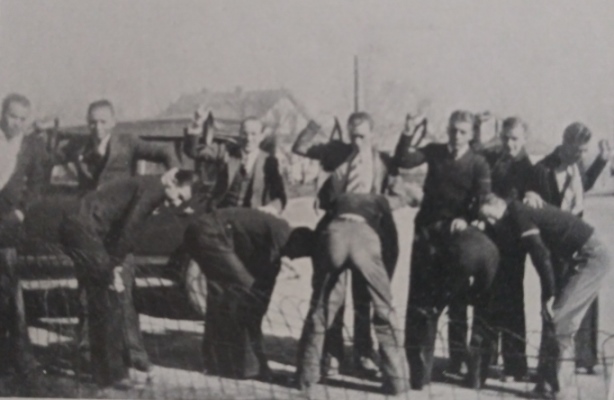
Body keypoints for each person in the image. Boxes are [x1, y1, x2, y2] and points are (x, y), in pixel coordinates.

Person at [52, 99, 181, 373]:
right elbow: (50, 156)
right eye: (92, 122)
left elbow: (166, 150)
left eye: (103, 121)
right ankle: (86, 351)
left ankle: (134, 351)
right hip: (89, 229)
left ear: (113, 122)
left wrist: (174, 177)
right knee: (87, 291)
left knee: (123, 289)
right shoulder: (79, 146)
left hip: (120, 228)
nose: (97, 127)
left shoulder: (128, 142)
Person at [292, 112, 419, 376]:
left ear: (372, 134)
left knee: (366, 296)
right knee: (330, 295)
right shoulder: (337, 153)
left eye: (362, 136)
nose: (357, 141)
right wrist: (315, 122)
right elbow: (300, 148)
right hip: (335, 228)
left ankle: (363, 352)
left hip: (372, 232)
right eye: (353, 136)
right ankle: (332, 353)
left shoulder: (383, 161)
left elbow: (402, 196)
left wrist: (375, 205)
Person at [58, 171, 196, 388]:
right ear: (172, 181)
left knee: (100, 296)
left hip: (85, 229)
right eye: (179, 195)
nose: (177, 203)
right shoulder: (155, 190)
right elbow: (130, 228)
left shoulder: (149, 184)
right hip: (85, 230)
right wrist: (114, 266)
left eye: (182, 201)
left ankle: (100, 367)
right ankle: (110, 373)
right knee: (110, 296)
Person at [393, 110, 492, 389]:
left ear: (471, 135)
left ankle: (457, 359)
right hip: (426, 233)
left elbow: (483, 199)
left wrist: (468, 218)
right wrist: (408, 131)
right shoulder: (435, 151)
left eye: (462, 132)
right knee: (420, 299)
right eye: (452, 130)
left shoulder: (478, 163)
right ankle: (418, 370)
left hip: (456, 236)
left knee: (455, 296)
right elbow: (403, 160)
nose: (456, 136)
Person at [478, 195, 612, 398]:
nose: (491, 222)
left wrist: (549, 294)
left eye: (490, 216)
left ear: (499, 205)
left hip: (591, 257)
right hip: (579, 258)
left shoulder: (517, 213)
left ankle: (556, 389)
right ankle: (548, 384)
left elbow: (540, 253)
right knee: (557, 319)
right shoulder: (516, 212)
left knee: (560, 320)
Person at [295, 181, 422, 396]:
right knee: (384, 313)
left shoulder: (343, 198)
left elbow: (321, 231)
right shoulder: (381, 202)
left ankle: (306, 377)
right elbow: (391, 245)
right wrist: (384, 285)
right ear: (398, 198)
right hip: (364, 241)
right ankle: (397, 382)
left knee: (321, 311)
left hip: (334, 236)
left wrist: (320, 278)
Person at [182, 207, 313, 380]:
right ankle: (242, 366)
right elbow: (264, 278)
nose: (293, 258)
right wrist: (257, 308)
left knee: (226, 299)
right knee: (242, 295)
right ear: (298, 241)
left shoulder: (280, 234)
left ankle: (219, 362)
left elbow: (263, 274)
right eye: (298, 253)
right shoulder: (281, 236)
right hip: (210, 234)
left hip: (206, 232)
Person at [526, 122, 611, 374]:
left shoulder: (575, 166)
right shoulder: (542, 170)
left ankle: (584, 359)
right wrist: (529, 193)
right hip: (554, 247)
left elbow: (584, 183)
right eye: (578, 150)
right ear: (565, 144)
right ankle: (548, 366)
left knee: (584, 298)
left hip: (578, 240)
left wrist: (602, 160)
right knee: (555, 304)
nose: (581, 155)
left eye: (585, 151)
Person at [479, 116, 534, 381]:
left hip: (513, 243)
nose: (509, 143)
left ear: (524, 139)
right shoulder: (493, 159)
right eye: (506, 138)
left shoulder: (529, 167)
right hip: (490, 238)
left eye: (515, 139)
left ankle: (515, 364)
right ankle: (484, 359)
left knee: (512, 301)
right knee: (488, 295)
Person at [0, 93, 48, 377]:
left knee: (9, 288)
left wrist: (20, 212)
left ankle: (21, 356)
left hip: (7, 224)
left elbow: (38, 184)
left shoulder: (31, 146)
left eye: (21, 118)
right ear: (2, 113)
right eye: (11, 116)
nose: (15, 123)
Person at [183, 108, 286, 215]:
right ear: (239, 134)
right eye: (244, 133)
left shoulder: (269, 161)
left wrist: (272, 208)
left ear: (261, 136)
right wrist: (196, 126)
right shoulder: (226, 151)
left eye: (253, 134)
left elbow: (280, 196)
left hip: (252, 217)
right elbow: (193, 152)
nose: (248, 138)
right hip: (221, 214)